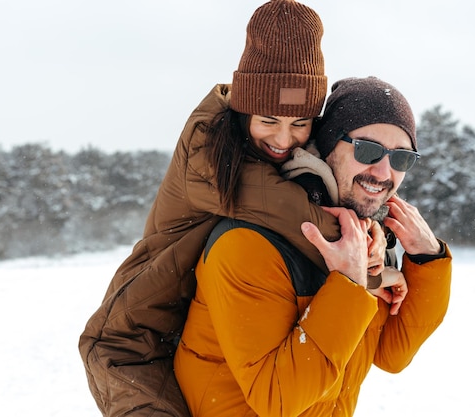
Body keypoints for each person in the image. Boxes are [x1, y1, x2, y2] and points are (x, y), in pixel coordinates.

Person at [79, 2, 393, 416]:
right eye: (269, 119)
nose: (284, 139)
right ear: (243, 111)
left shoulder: (278, 160)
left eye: (300, 123)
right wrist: (371, 253)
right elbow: (299, 219)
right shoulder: (211, 154)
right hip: (136, 342)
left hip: (190, 334)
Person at [174, 76, 452, 417]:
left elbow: (392, 355)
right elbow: (277, 398)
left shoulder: (371, 242)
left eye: (401, 158)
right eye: (367, 150)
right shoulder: (249, 242)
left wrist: (427, 258)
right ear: (329, 145)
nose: (383, 172)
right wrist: (350, 284)